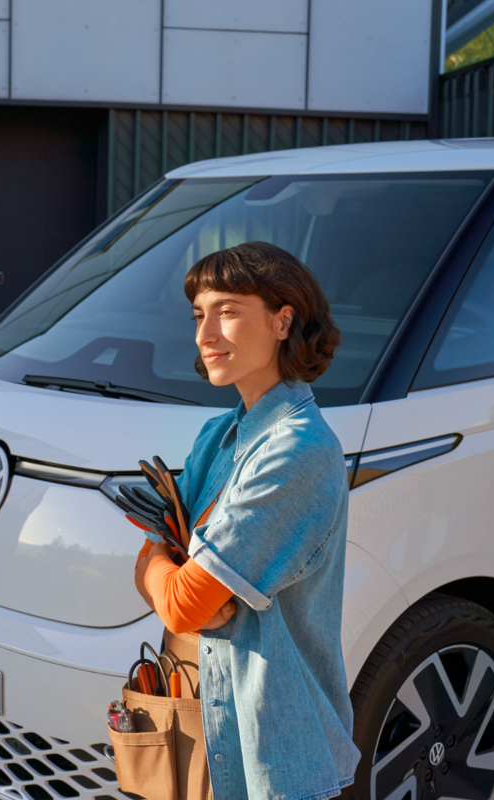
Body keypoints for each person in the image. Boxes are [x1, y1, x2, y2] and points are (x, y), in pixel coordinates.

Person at [133, 242, 360, 800]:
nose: (204, 335)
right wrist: (171, 572)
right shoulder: (220, 436)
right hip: (206, 726)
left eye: (228, 311)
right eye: (198, 315)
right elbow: (150, 554)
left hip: (275, 759)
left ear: (284, 320)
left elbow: (185, 602)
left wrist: (173, 578)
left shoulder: (296, 450)